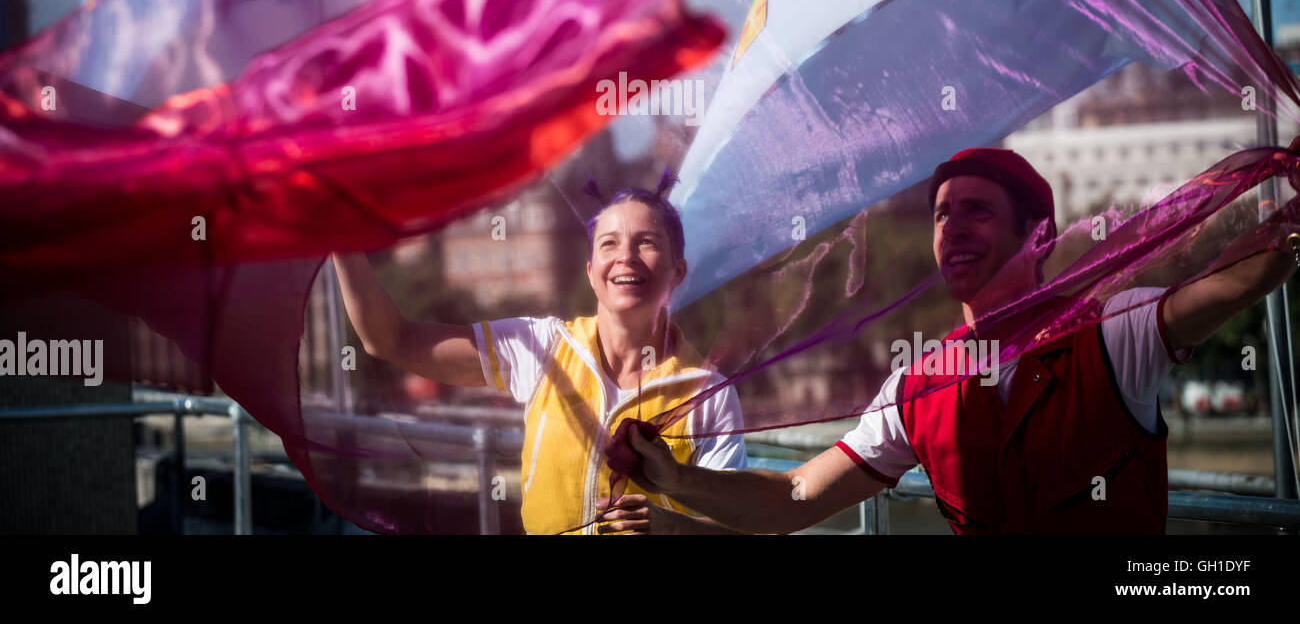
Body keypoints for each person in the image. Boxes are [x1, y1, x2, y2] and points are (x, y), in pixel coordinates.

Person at [617, 146, 1300, 534]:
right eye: (943, 214)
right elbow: (794, 495)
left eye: (978, 209)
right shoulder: (919, 383)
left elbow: (1244, 279)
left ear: (1038, 237)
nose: (954, 227)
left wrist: (1286, 205)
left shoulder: (1113, 334)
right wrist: (678, 480)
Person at [331, 177, 746, 534]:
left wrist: (669, 527)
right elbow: (391, 340)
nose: (626, 256)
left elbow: (737, 525)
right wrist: (340, 242)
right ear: (590, 270)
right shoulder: (541, 346)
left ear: (678, 271)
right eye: (609, 243)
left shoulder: (709, 393)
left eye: (647, 242)